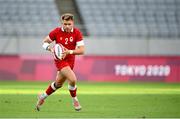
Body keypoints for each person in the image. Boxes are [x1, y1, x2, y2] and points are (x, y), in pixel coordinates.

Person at [35, 13, 85, 111]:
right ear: (62, 23)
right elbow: (44, 43)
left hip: (71, 60)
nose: (67, 26)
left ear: (73, 23)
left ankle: (42, 97)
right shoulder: (56, 32)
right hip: (60, 60)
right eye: (65, 24)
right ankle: (75, 100)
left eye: (69, 24)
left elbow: (82, 50)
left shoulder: (77, 33)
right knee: (73, 79)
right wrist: (50, 49)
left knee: (58, 84)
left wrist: (69, 51)